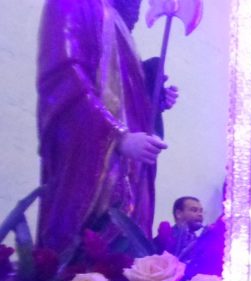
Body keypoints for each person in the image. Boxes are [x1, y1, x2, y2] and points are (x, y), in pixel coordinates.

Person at [36, 0, 177, 253]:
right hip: (92, 152)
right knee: (83, 251)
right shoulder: (73, 5)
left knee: (121, 252)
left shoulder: (117, 23)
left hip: (128, 165)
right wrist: (118, 137)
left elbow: (126, 96)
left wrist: (155, 99)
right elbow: (66, 78)